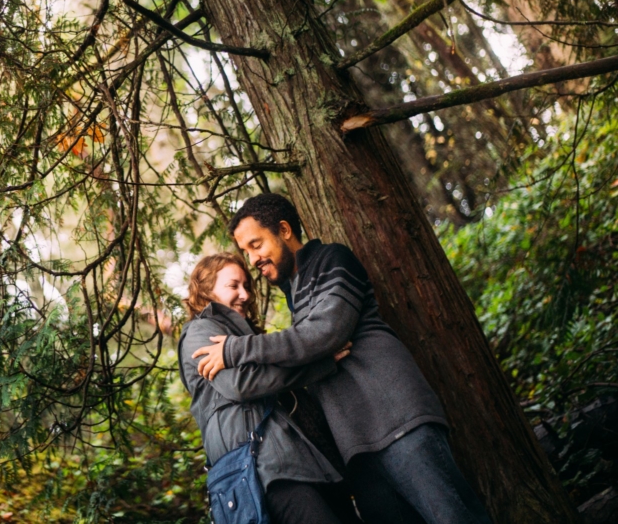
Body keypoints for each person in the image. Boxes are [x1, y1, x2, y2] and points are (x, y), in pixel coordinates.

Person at [192, 194, 492, 524]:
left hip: (396, 421)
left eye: (256, 245)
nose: (253, 260)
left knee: (452, 516)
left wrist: (234, 350)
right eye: (247, 252)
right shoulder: (296, 294)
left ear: (284, 229)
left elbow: (325, 334)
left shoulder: (331, 260)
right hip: (359, 452)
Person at [178, 252, 360, 524]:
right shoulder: (199, 331)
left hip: (296, 462)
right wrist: (318, 364)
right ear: (206, 290)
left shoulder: (242, 336)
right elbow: (241, 383)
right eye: (233, 286)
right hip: (264, 468)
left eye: (246, 286)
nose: (245, 294)